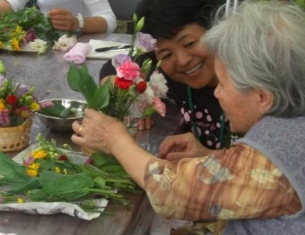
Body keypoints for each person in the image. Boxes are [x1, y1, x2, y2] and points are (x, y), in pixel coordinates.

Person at [72, 0, 305, 234]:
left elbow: (173, 193)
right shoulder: (288, 122)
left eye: (223, 84)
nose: (216, 92)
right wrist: (211, 158)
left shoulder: (286, 148)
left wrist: (113, 138)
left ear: (262, 96)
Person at [99, 0, 233, 150]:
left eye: (190, 44)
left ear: (216, 29)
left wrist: (206, 157)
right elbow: (112, 68)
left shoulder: (251, 81)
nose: (183, 61)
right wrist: (131, 99)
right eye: (167, 55)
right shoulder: (166, 73)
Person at [0, 0, 117, 34]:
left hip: (83, 45)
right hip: (48, 43)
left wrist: (76, 23)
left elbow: (109, 20)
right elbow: (11, 4)